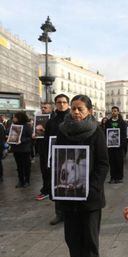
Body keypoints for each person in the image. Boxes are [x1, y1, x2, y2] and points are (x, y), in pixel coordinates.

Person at [55, 94, 109, 257]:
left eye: (80, 109)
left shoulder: (97, 132)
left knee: (89, 234)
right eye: (73, 108)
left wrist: (92, 187)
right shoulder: (62, 131)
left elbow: (103, 164)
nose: (76, 112)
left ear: (89, 112)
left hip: (90, 196)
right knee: (71, 235)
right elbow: (58, 160)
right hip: (68, 193)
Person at [45, 94, 71, 225]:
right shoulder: (51, 121)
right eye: (59, 102)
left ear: (68, 104)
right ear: (55, 104)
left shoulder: (72, 119)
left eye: (64, 102)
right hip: (55, 158)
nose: (61, 104)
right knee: (57, 185)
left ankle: (70, 213)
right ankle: (59, 213)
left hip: (70, 157)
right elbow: (46, 141)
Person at [34, 102, 54, 201]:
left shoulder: (54, 119)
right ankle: (46, 189)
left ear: (51, 108)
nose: (43, 109)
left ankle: (49, 189)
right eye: (42, 107)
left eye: (45, 107)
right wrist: (35, 134)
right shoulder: (39, 118)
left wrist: (44, 130)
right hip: (42, 148)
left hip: (52, 148)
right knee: (44, 170)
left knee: (50, 169)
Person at [9, 112, 32, 188]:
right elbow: (10, 135)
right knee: (19, 166)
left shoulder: (27, 126)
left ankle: (27, 181)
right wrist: (9, 138)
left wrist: (22, 140)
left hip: (25, 150)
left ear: (19, 117)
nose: (13, 118)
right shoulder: (13, 126)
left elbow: (31, 137)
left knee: (26, 166)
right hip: (16, 149)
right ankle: (21, 180)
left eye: (14, 117)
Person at [104, 106, 126, 183]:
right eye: (112, 111)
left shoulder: (122, 122)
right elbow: (105, 133)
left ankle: (119, 177)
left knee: (119, 161)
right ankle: (112, 177)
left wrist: (122, 144)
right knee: (112, 162)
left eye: (115, 111)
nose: (114, 112)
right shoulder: (108, 122)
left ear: (118, 112)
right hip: (110, 146)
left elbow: (124, 134)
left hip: (119, 146)